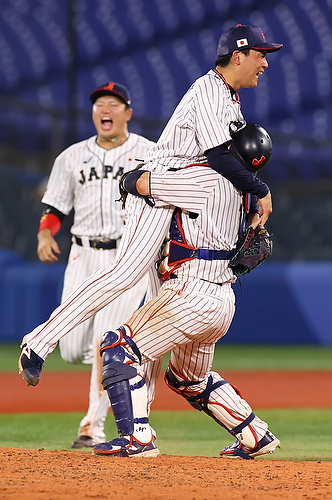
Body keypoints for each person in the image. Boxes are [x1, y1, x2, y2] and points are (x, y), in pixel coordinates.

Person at [19, 24, 283, 458]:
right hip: (160, 185)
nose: (266, 62)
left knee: (147, 332)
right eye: (261, 54)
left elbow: (221, 159)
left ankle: (139, 427)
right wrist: (259, 190)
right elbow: (218, 156)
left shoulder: (230, 100)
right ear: (238, 55)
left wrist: (251, 189)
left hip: (176, 197)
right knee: (125, 275)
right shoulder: (209, 89)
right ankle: (40, 342)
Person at [35, 81, 156, 448]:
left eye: (114, 104)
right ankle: (122, 368)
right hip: (82, 255)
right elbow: (55, 207)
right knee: (71, 347)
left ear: (128, 113)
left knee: (108, 340)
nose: (105, 109)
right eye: (100, 103)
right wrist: (45, 233)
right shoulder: (71, 157)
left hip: (127, 257)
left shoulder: (149, 153)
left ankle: (92, 425)